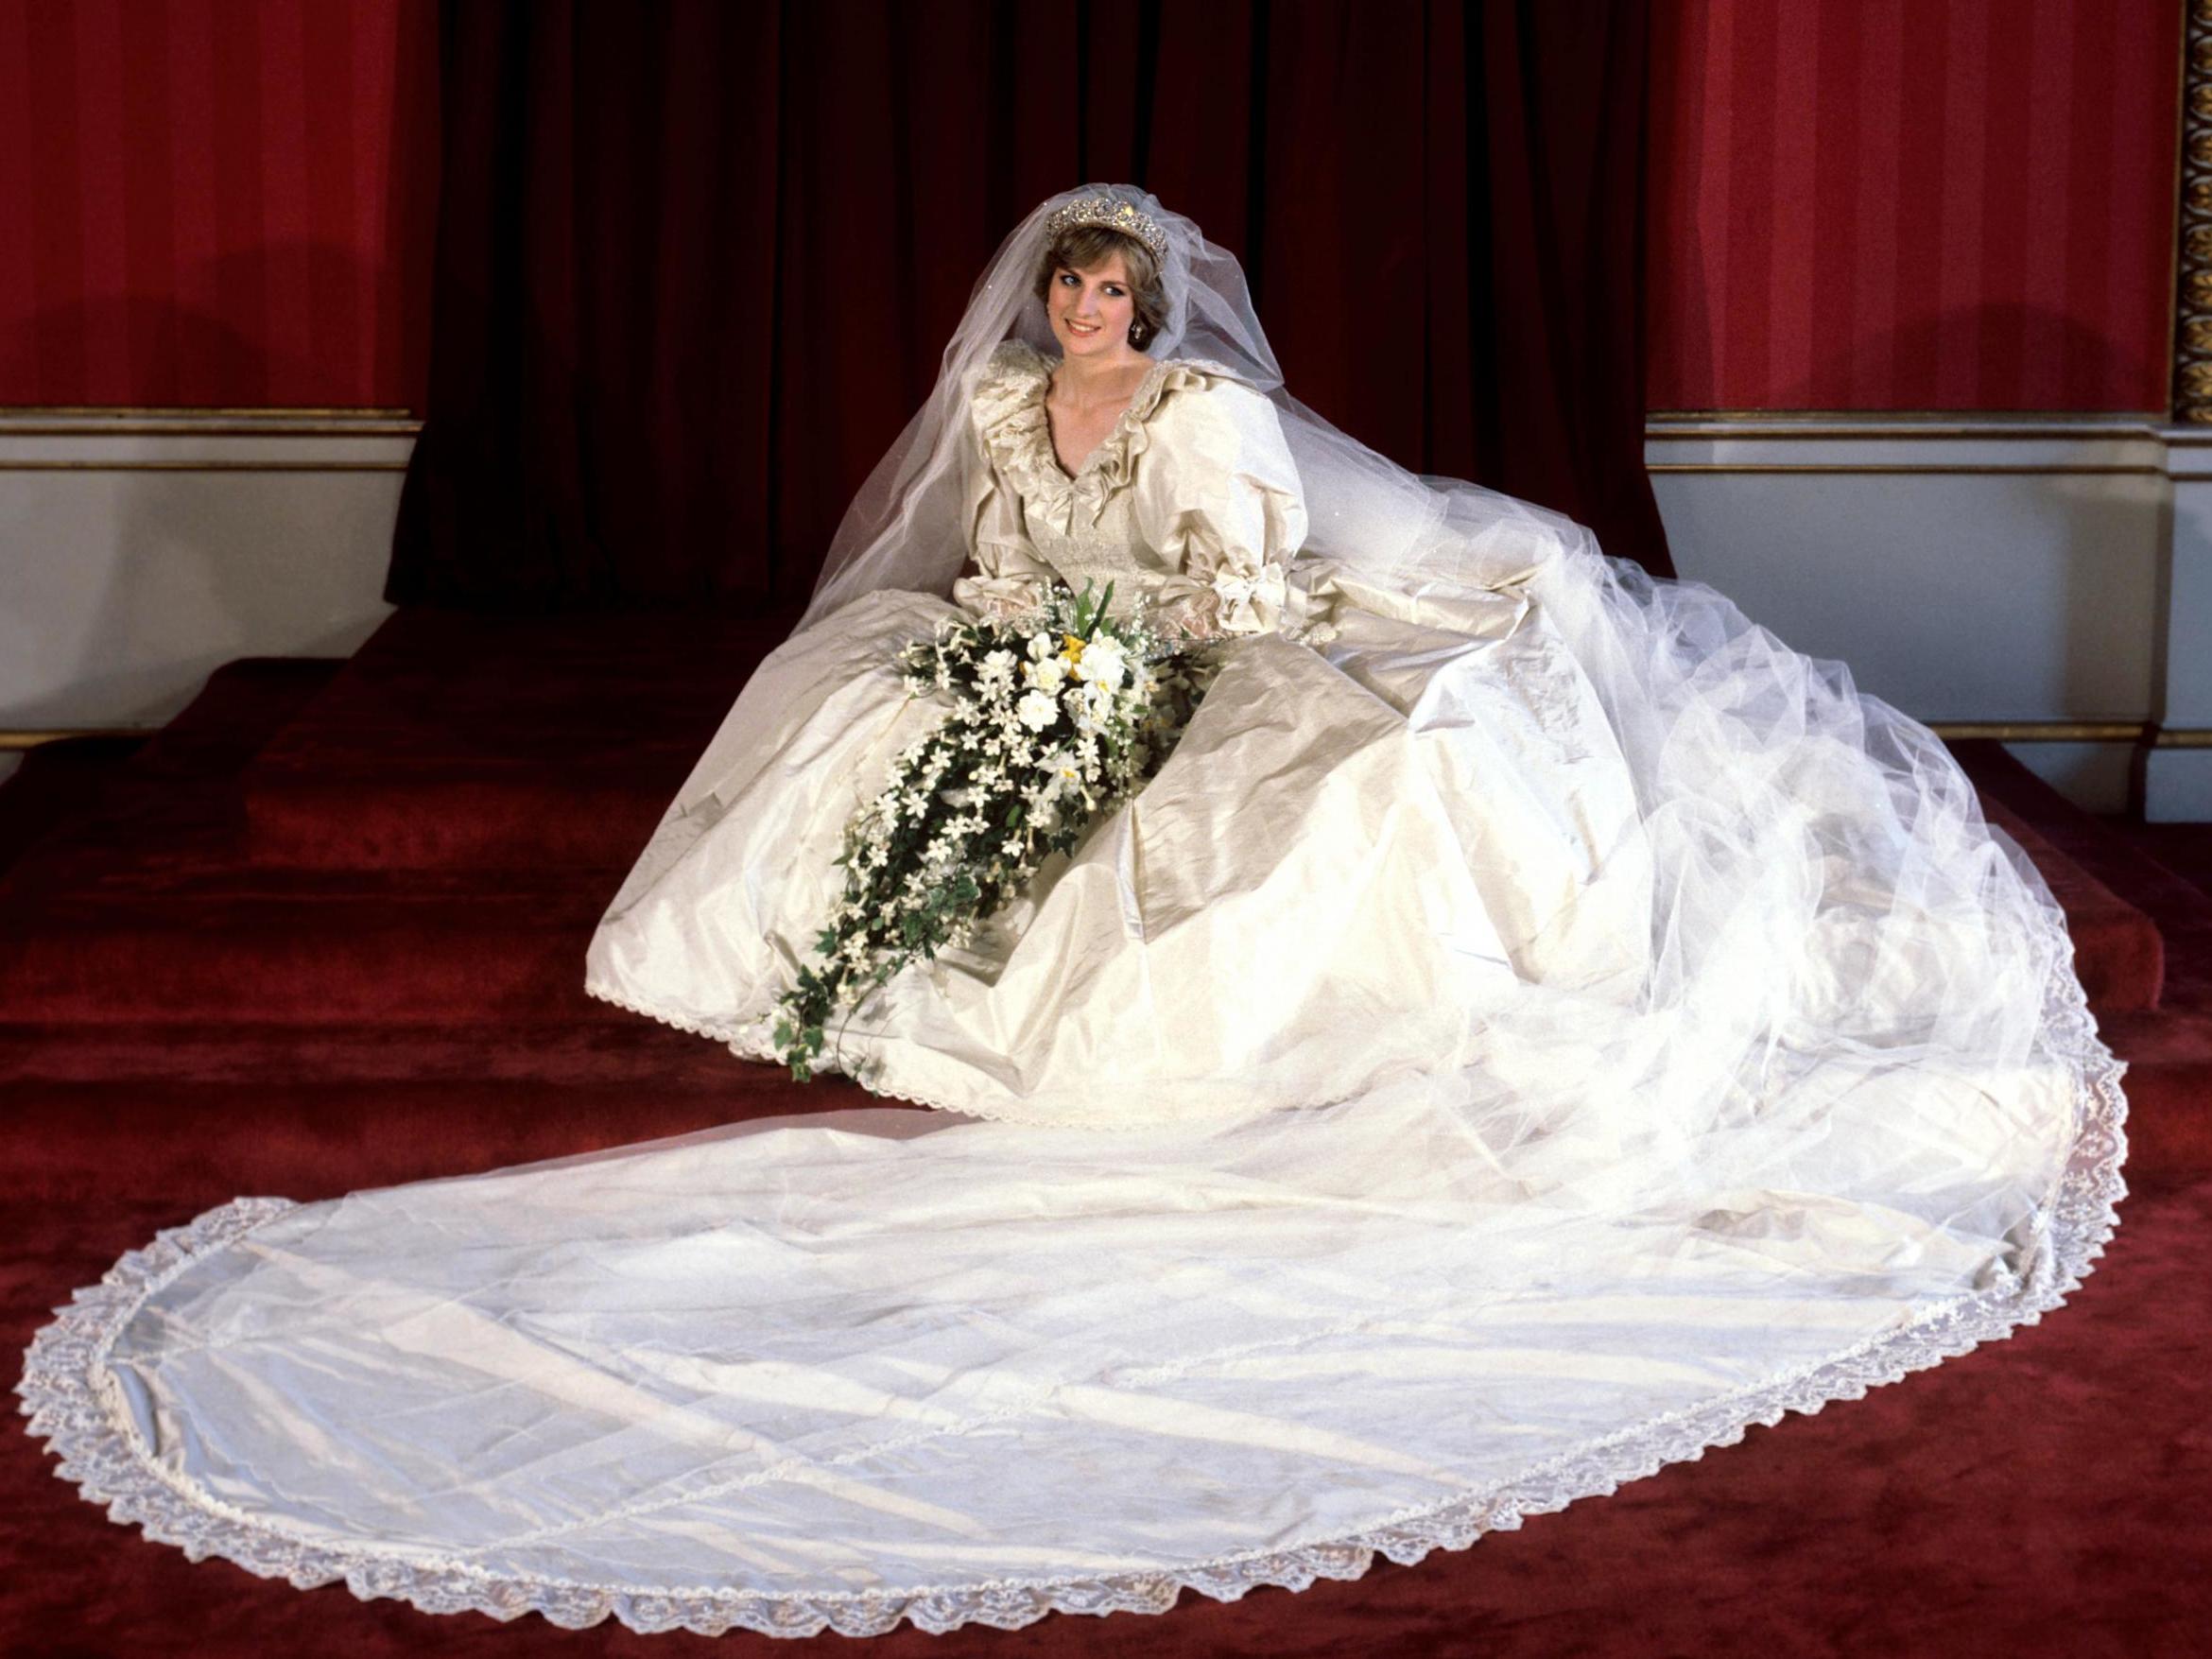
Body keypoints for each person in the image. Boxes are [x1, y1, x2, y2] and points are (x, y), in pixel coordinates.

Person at [20, 184, 2128, 1641]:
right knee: (865, 687)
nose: (1090, 322)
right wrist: (1018, 654)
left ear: (1160, 308)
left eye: (1117, 297)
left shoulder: (1216, 417)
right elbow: (1009, 557)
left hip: (1303, 595)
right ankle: (857, 961)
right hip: (1103, 633)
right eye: (1069, 298)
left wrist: (1116, 664)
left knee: (1316, 776)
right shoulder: (1014, 410)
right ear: (1045, 309)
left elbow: (1233, 589)